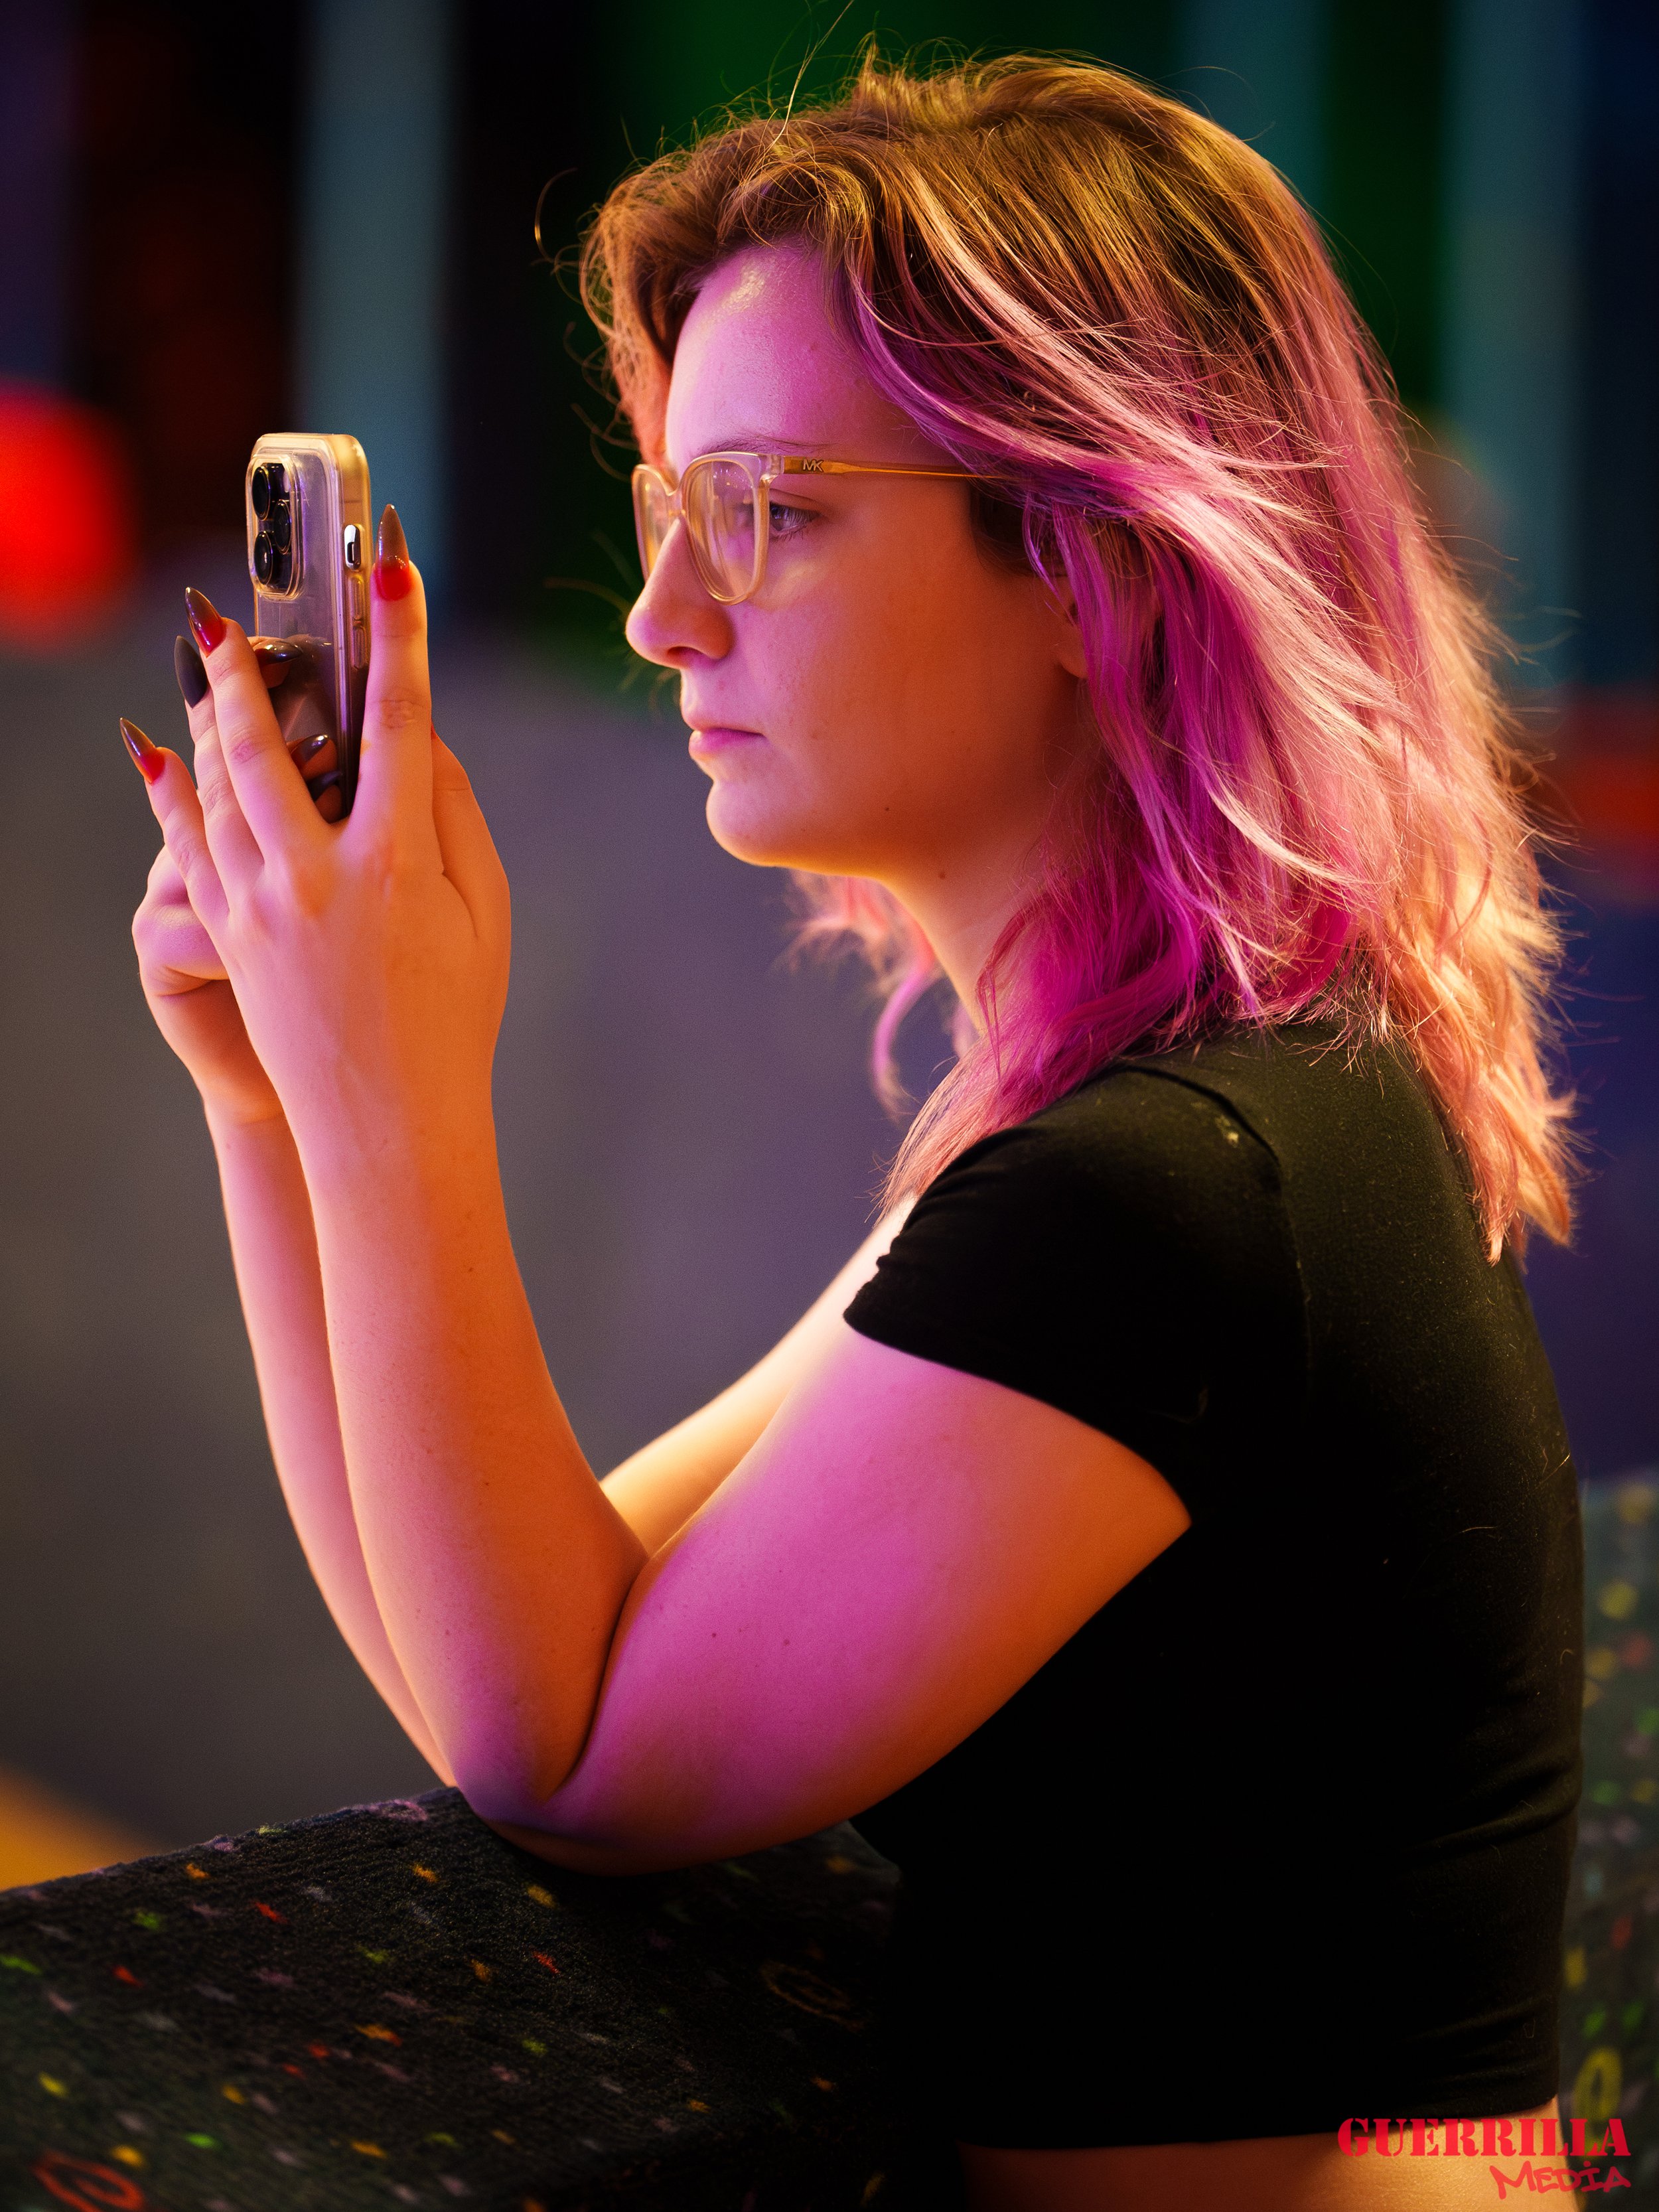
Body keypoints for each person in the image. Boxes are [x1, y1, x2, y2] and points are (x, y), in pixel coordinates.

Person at [121, 53, 1583, 2212]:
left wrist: (391, 1087)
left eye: (771, 515)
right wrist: (267, 1096)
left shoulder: (1171, 1191)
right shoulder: (1134, 1127)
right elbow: (512, 1652)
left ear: (1098, 561)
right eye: (667, 512)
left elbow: (570, 1754)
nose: (661, 618)